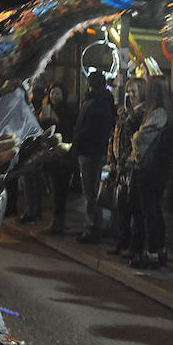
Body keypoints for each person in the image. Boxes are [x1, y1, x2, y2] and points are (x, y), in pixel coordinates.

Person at [127, 76, 173, 269]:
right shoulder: (168, 113)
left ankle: (153, 253)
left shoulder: (158, 114)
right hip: (158, 169)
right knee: (154, 211)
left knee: (149, 212)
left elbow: (141, 140)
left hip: (149, 169)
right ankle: (160, 250)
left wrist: (135, 135)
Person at [71, 70, 116, 243]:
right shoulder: (104, 100)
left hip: (90, 151)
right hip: (94, 150)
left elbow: (89, 129)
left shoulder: (96, 102)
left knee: (90, 190)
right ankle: (96, 225)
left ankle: (92, 228)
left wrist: (79, 143)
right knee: (93, 189)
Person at [104, 77, 145, 253]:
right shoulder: (125, 112)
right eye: (128, 91)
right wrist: (112, 161)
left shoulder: (142, 114)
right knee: (121, 207)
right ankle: (121, 243)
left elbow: (135, 142)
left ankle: (133, 246)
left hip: (131, 166)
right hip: (120, 166)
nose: (130, 95)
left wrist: (123, 161)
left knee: (132, 208)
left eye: (134, 91)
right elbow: (114, 137)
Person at [38, 81, 76, 234]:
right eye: (52, 93)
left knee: (60, 189)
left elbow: (68, 131)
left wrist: (57, 120)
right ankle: (55, 221)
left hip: (62, 156)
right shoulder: (47, 109)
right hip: (48, 155)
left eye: (58, 93)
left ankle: (58, 222)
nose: (54, 96)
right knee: (53, 188)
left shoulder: (68, 111)